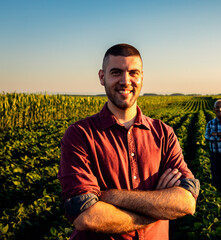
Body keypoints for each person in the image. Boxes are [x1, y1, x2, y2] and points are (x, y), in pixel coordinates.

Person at [58, 43, 199, 240]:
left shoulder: (164, 134)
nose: (125, 80)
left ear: (142, 77)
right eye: (116, 72)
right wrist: (158, 208)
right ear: (102, 77)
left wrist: (111, 197)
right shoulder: (80, 135)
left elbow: (186, 202)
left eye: (133, 72)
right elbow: (86, 216)